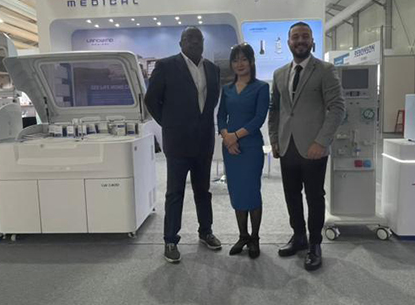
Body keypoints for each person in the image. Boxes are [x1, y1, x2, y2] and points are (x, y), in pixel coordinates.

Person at [269, 22, 345, 271]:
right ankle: (299, 236)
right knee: (291, 195)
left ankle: (314, 244)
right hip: (286, 146)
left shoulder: (325, 70)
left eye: (305, 36)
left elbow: (337, 108)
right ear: (288, 42)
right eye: (295, 37)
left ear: (312, 41)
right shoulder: (279, 73)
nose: (300, 40)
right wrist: (274, 139)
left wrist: (321, 141)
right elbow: (275, 110)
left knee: (314, 197)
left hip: (314, 148)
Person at [144, 27, 222, 264]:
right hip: (177, 142)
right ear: (180, 43)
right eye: (189, 39)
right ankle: (170, 239)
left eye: (198, 39)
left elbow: (212, 101)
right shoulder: (166, 66)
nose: (194, 42)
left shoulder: (213, 69)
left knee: (203, 191)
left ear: (203, 42)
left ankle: (206, 231)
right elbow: (151, 100)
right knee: (175, 192)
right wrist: (169, 124)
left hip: (204, 142)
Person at [217, 43, 269, 259]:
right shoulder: (227, 89)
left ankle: (254, 238)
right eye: (235, 60)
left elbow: (259, 118)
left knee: (252, 192)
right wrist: (226, 137)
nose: (239, 64)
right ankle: (243, 235)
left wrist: (234, 136)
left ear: (251, 62)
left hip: (250, 147)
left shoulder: (261, 88)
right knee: (237, 191)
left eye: (244, 59)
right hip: (231, 148)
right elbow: (221, 116)